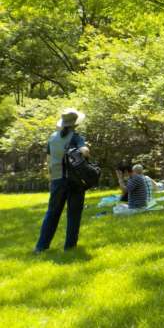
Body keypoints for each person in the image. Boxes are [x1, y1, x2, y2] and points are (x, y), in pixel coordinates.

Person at [35, 108, 90, 253]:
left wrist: (51, 178)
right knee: (73, 214)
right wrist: (83, 151)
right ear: (75, 124)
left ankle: (41, 247)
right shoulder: (76, 137)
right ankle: (69, 247)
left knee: (52, 213)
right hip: (74, 181)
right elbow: (85, 151)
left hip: (56, 180)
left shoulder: (52, 138)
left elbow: (48, 160)